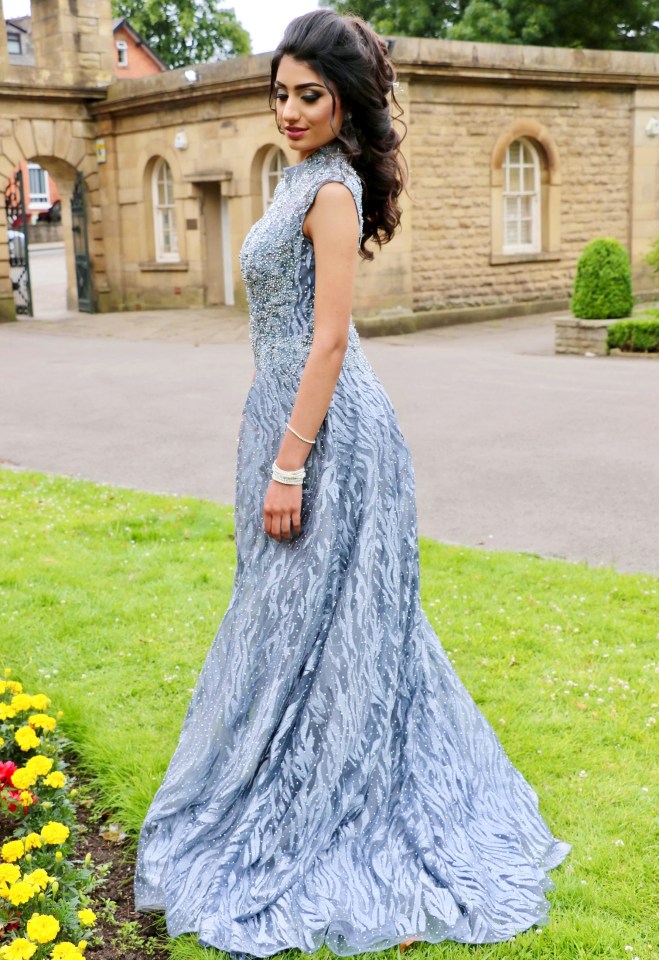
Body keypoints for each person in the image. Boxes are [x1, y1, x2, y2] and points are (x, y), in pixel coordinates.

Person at [133, 9, 571, 957]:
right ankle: (281, 779)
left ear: (345, 102)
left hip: (326, 435)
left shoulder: (330, 191)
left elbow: (330, 337)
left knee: (325, 626)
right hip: (284, 418)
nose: (288, 110)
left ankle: (334, 803)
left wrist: (290, 461)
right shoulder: (299, 177)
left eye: (309, 95)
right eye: (280, 92)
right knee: (295, 623)